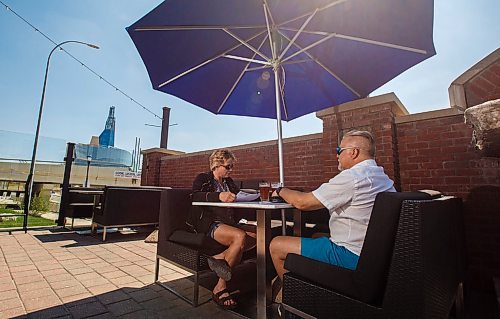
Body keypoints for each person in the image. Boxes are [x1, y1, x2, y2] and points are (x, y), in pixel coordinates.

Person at [269, 130, 396, 305]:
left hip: (351, 256)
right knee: (315, 236)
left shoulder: (353, 177)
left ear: (353, 152)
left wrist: (280, 190)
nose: (337, 155)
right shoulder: (382, 177)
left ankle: (292, 300)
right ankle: (308, 287)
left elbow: (302, 202)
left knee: (276, 245)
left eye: (339, 150)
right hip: (372, 254)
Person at [187, 149, 256, 310]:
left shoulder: (229, 182)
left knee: (258, 233)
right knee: (239, 237)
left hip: (229, 222)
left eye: (231, 167)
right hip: (210, 224)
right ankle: (221, 286)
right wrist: (218, 196)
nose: (231, 170)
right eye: (228, 167)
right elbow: (194, 196)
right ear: (217, 165)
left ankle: (219, 257)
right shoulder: (203, 178)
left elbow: (240, 196)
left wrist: (257, 195)